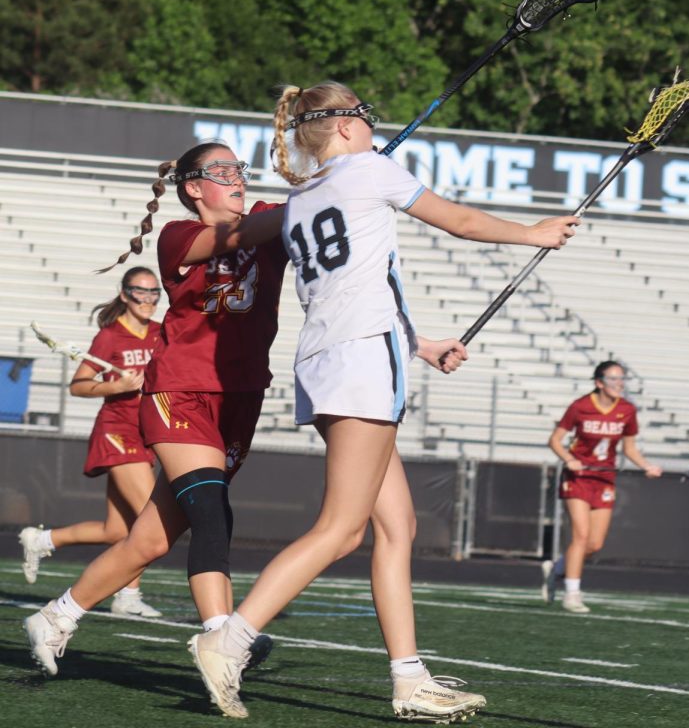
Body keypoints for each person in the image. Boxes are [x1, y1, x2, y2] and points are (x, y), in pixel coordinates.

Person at [186, 81, 580, 722]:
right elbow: (462, 221)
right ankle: (228, 639)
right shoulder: (368, 169)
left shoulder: (302, 195)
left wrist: (421, 345)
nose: (373, 124)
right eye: (364, 116)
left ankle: (409, 678)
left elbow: (357, 283)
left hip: (337, 355)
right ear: (342, 126)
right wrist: (533, 232)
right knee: (340, 529)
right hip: (361, 360)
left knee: (397, 526)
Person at [24, 141, 287, 677]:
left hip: (241, 396)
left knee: (151, 537)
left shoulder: (267, 217)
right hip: (182, 389)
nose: (239, 176)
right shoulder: (179, 235)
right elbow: (243, 235)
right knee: (212, 513)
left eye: (241, 168)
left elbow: (305, 223)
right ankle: (221, 638)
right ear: (194, 187)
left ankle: (57, 614)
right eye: (224, 170)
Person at [18, 267, 165, 618]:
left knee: (116, 529)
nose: (146, 300)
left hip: (147, 433)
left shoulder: (163, 333)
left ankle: (42, 540)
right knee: (153, 517)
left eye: (153, 293)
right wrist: (116, 386)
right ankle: (126, 596)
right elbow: (79, 384)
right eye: (139, 292)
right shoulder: (110, 337)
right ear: (125, 294)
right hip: (118, 431)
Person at [541, 361, 661, 614]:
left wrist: (647, 466)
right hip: (579, 478)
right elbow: (555, 441)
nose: (620, 384)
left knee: (594, 544)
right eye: (613, 379)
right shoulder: (580, 407)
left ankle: (557, 569)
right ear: (599, 383)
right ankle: (572, 593)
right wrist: (569, 459)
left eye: (622, 379)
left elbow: (629, 449)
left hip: (604, 479)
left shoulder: (627, 410)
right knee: (581, 536)